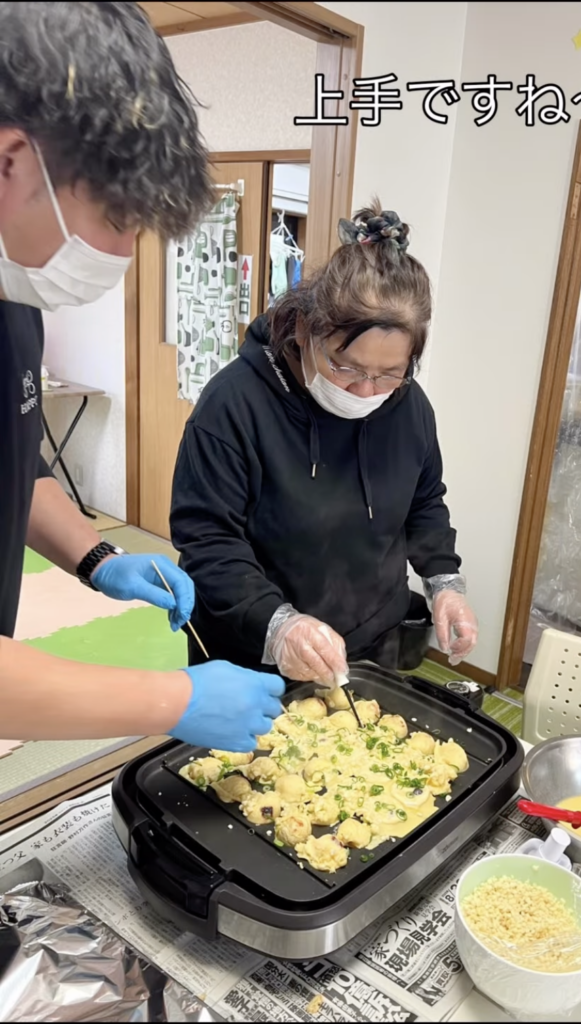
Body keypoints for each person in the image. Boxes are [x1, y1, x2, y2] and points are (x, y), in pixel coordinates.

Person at [0, 1, 284, 752]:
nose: (125, 254)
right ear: (11, 159)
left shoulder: (14, 298)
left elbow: (15, 469)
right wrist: (167, 697)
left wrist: (99, 559)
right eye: (119, 218)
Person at [170, 201, 479, 686]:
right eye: (346, 367)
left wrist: (444, 582)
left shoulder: (408, 406)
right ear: (303, 330)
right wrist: (279, 625)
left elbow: (423, 503)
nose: (366, 391)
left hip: (373, 641)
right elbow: (207, 541)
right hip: (255, 645)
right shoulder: (233, 405)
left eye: (390, 373)